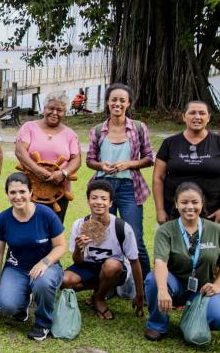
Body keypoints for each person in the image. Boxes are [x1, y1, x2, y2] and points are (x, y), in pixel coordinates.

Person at [144, 182, 220, 341]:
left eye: (195, 202)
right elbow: (160, 263)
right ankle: (157, 325)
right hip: (175, 285)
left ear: (202, 203)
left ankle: (193, 313)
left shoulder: (217, 231)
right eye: (184, 202)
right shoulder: (166, 230)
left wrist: (217, 285)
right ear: (176, 204)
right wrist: (162, 289)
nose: (190, 207)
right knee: (153, 280)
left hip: (203, 289)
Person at [85, 83, 154, 278]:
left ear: (128, 103)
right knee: (99, 235)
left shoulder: (138, 128)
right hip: (102, 188)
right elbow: (90, 160)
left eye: (122, 100)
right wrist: (102, 166)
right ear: (107, 102)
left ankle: (146, 286)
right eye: (113, 99)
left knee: (135, 238)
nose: (117, 103)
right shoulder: (97, 130)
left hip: (128, 188)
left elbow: (149, 158)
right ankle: (102, 283)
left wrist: (129, 164)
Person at [0, 172, 65, 341]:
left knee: (43, 283)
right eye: (13, 192)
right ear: (7, 194)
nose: (18, 196)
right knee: (7, 306)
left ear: (30, 192)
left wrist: (45, 262)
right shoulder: (3, 219)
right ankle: (22, 305)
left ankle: (43, 323)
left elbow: (61, 246)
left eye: (22, 191)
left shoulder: (46, 215)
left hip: (46, 266)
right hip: (17, 268)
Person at [61, 180, 145, 320]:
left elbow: (135, 262)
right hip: (89, 266)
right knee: (65, 281)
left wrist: (140, 295)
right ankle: (101, 289)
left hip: (115, 269)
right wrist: (78, 247)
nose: (99, 202)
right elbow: (78, 261)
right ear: (88, 201)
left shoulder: (122, 227)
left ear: (111, 203)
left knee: (111, 266)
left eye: (104, 198)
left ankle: (99, 299)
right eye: (94, 198)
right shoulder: (80, 225)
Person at [153, 100, 220, 227]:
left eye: (202, 113)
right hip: (173, 213)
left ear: (209, 117)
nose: (197, 117)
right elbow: (158, 178)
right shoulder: (170, 143)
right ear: (184, 116)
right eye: (192, 113)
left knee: (209, 247)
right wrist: (160, 210)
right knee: (171, 247)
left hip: (211, 214)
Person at [14, 91, 81, 222]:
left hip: (58, 192)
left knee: (54, 230)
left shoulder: (70, 134)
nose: (54, 113)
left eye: (59, 110)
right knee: (26, 226)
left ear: (65, 112)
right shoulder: (29, 127)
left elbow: (77, 160)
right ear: (44, 108)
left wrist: (64, 173)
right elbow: (20, 151)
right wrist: (37, 170)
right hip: (28, 190)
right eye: (51, 108)